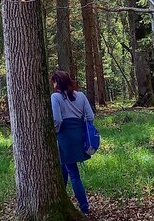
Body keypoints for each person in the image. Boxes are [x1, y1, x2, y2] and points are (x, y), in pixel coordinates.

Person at [50, 70, 94, 215]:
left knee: (73, 172)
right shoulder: (80, 95)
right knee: (63, 167)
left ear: (57, 82)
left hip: (64, 137)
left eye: (54, 81)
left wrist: (54, 133)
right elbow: (90, 116)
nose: (53, 85)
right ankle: (60, 196)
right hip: (79, 136)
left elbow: (57, 120)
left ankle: (84, 207)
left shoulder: (55, 97)